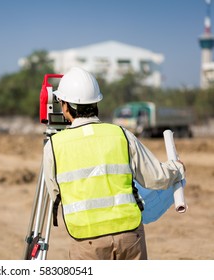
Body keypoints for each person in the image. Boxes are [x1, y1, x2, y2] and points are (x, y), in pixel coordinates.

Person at [43, 67, 186, 260]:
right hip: (129, 236)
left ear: (65, 105)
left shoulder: (54, 146)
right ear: (96, 103)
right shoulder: (121, 135)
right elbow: (156, 178)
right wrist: (176, 168)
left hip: (86, 241)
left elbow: (56, 194)